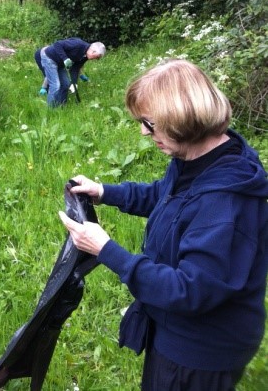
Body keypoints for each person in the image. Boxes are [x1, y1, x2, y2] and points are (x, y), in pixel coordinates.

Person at [59, 59, 268, 391]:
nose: (144, 131)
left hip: (199, 351)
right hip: (175, 331)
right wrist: (104, 193)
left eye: (149, 123)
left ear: (183, 118)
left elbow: (188, 291)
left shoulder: (225, 205)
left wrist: (106, 250)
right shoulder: (199, 157)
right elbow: (166, 196)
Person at [35, 38, 105, 106]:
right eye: (97, 57)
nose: (96, 59)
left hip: (60, 63)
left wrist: (74, 83)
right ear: (93, 51)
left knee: (66, 84)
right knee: (55, 85)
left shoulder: (85, 56)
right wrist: (65, 58)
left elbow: (75, 68)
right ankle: (50, 109)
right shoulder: (78, 44)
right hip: (49, 58)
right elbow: (57, 44)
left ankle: (61, 106)